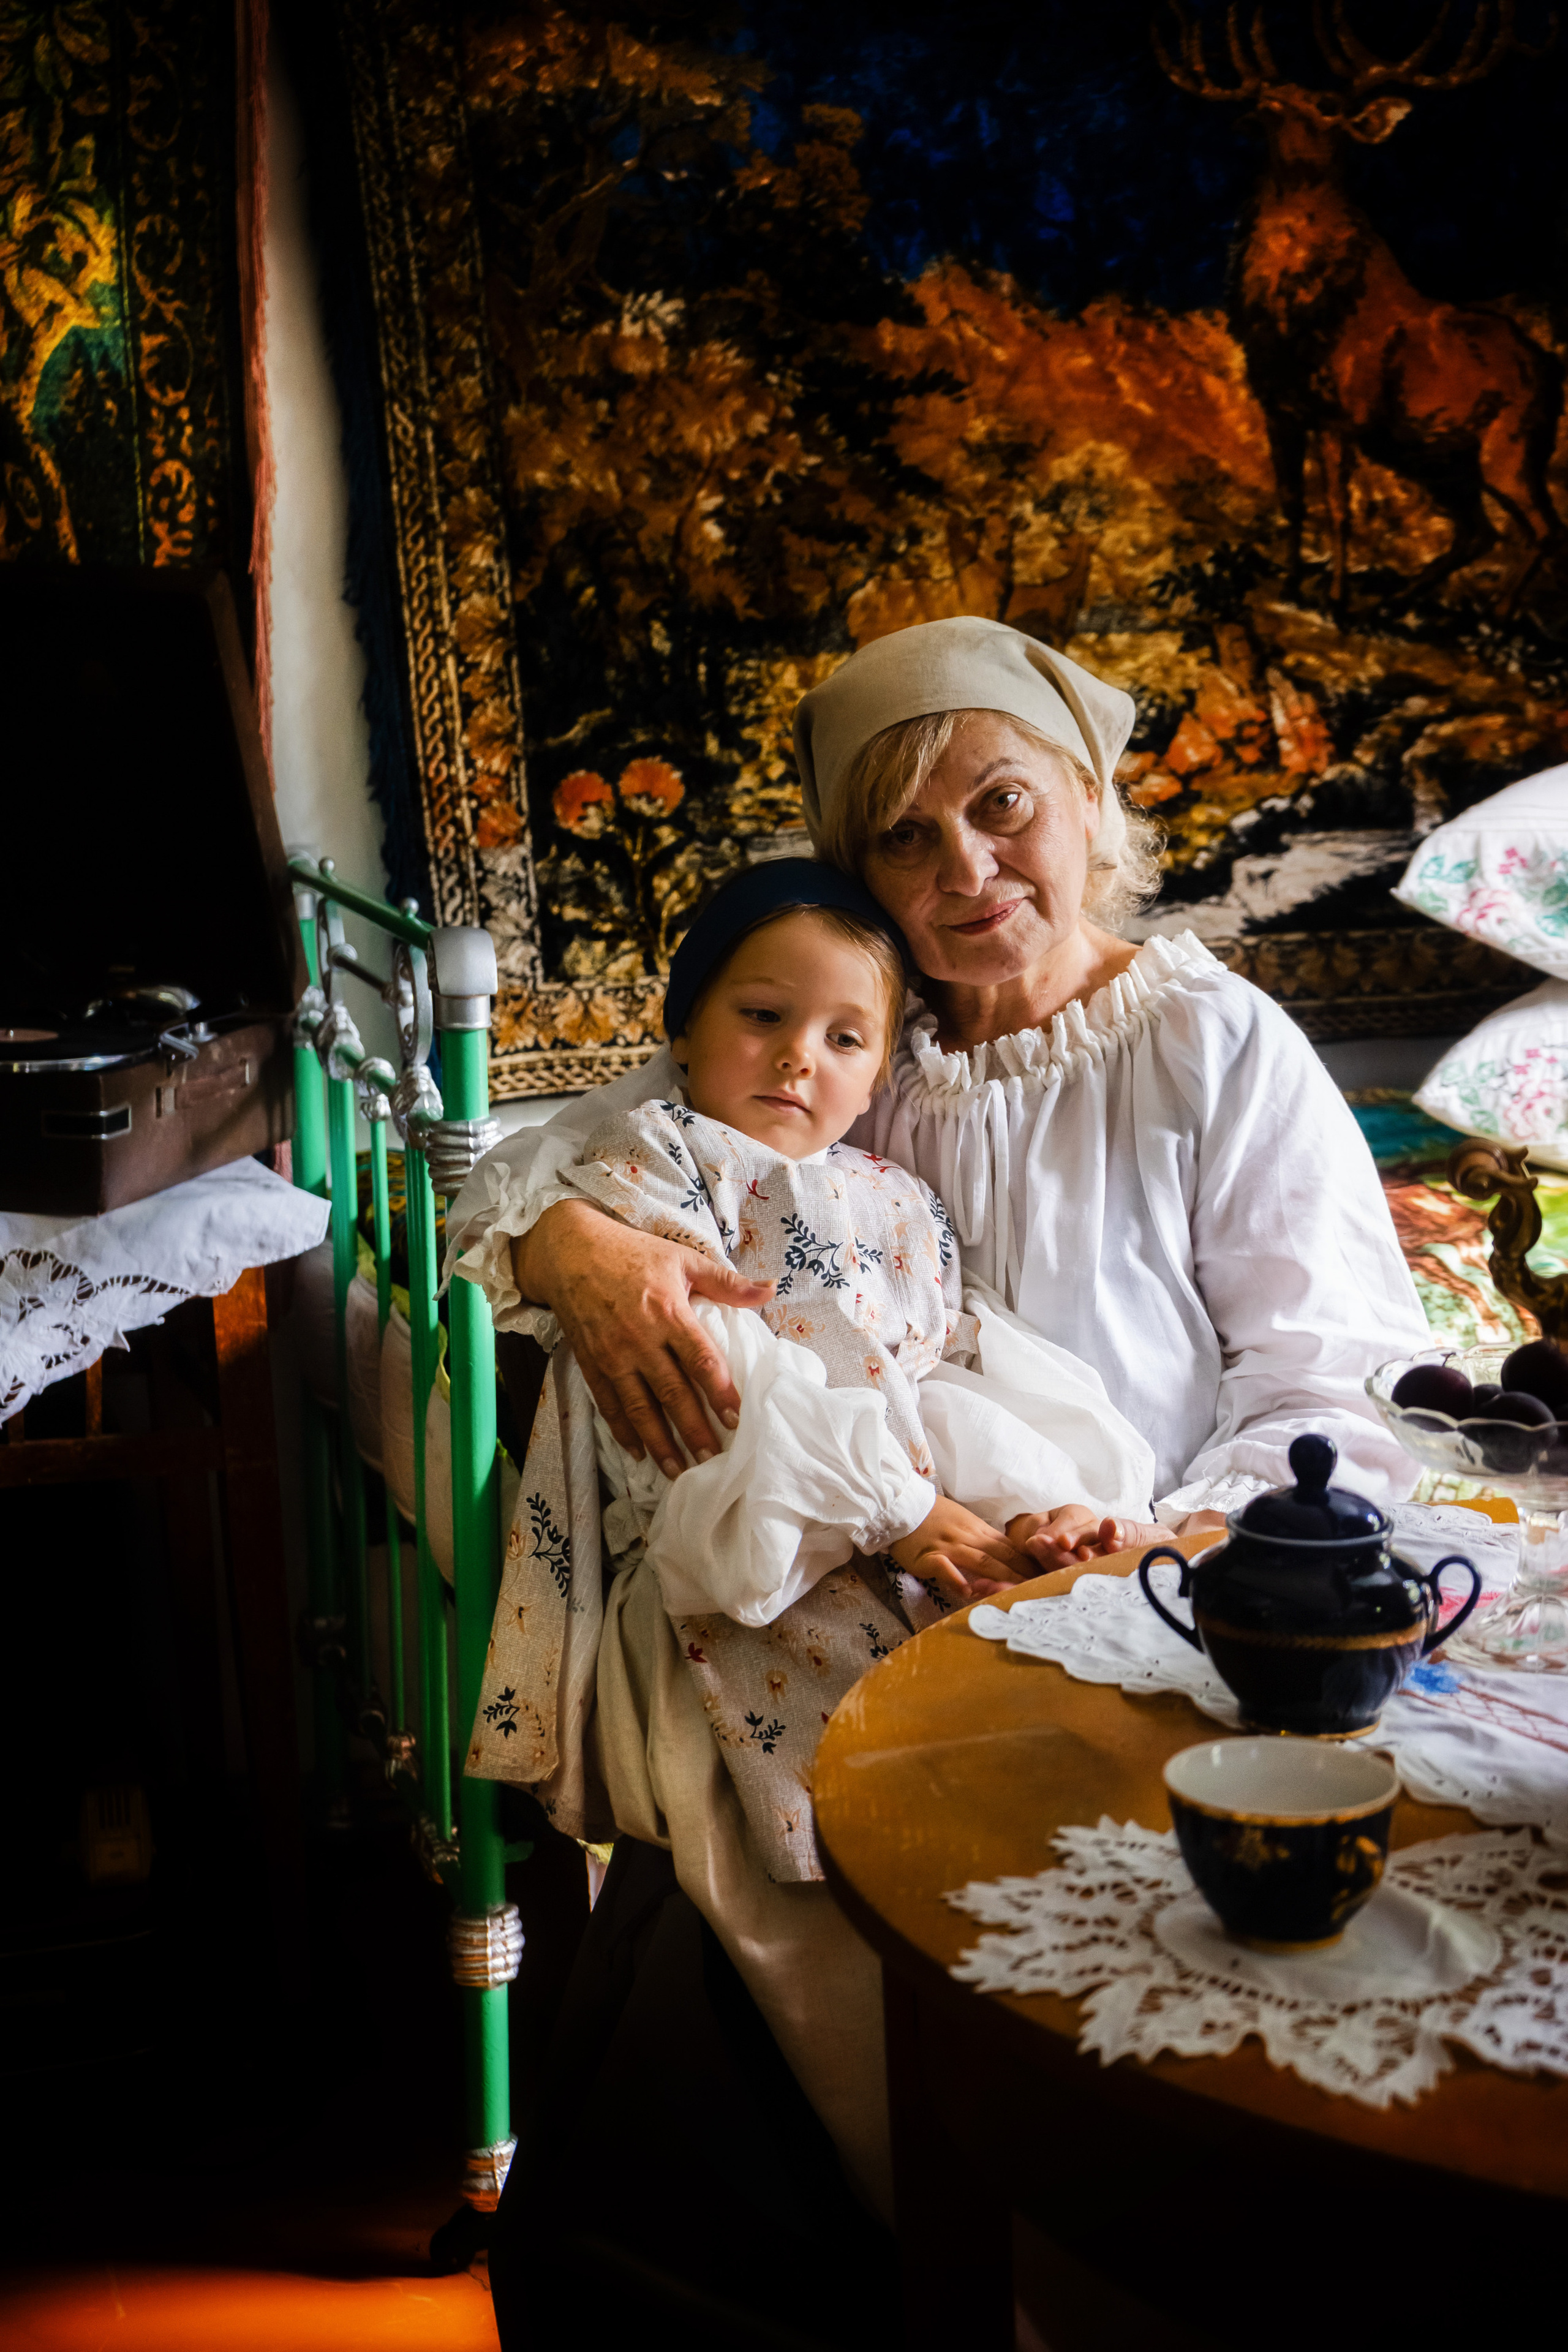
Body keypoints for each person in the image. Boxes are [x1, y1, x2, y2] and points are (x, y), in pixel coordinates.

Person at [452, 616, 1428, 2291]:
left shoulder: (1209, 1044)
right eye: (906, 835)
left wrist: (1169, 1548)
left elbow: (1331, 1383)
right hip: (872, 1580)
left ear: (1089, 804)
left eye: (1001, 805)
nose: (966, 867)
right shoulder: (851, 1050)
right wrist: (572, 1250)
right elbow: (556, 1163)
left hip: (1146, 1576)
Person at [459, 860, 1155, 1881]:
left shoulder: (898, 1198)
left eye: (843, 1039)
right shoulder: (651, 1155)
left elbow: (951, 1378)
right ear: (684, 1031)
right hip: (748, 1531)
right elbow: (713, 1369)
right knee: (893, 1775)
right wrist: (897, 1507)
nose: (797, 1059)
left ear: (878, 1076)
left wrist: (1042, 1500)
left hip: (901, 1509)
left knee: (1070, 1682)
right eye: (762, 1015)